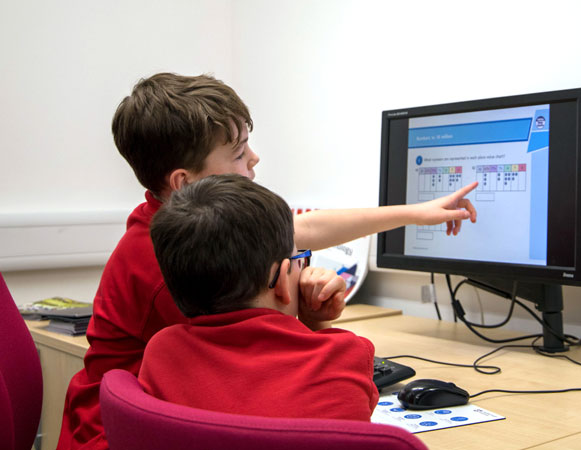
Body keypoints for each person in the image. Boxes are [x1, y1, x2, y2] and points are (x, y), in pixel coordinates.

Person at [58, 72, 477, 449]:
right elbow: (266, 358)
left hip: (164, 412)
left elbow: (298, 229)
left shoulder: (168, 223)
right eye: (239, 153)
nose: (254, 159)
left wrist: (418, 212)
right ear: (184, 182)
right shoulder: (166, 266)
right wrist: (311, 323)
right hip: (120, 434)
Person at [140, 173, 378, 421]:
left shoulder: (162, 352)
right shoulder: (345, 354)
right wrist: (317, 325)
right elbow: (353, 425)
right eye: (299, 260)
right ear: (281, 280)